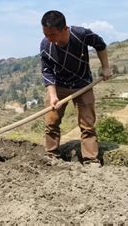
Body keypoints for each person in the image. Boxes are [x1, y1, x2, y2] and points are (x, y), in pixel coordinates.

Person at [40, 10, 111, 166]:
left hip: (83, 84)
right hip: (59, 86)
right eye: (46, 34)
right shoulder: (46, 45)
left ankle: (91, 159)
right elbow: (47, 72)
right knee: (51, 122)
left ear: (65, 29)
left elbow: (100, 45)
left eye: (52, 34)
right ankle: (51, 154)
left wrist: (105, 67)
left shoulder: (82, 34)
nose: (49, 38)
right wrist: (53, 96)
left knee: (87, 124)